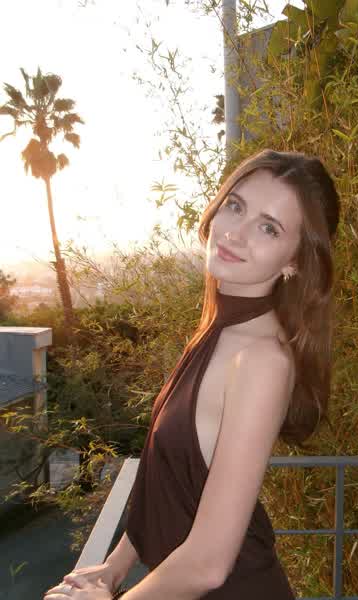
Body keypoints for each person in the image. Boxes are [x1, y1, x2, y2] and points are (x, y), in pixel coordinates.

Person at [44, 148, 340, 600]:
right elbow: (169, 478)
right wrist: (115, 567)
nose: (235, 232)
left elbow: (208, 563)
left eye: (268, 227)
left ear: (295, 260)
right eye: (235, 206)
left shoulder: (262, 360)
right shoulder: (218, 330)